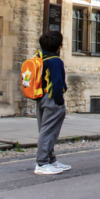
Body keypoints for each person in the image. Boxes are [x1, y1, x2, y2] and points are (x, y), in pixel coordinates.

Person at [34, 30, 71, 175]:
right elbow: (57, 83)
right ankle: (42, 163)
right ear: (59, 46)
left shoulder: (39, 57)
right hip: (52, 98)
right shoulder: (55, 61)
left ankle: (51, 160)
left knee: (45, 129)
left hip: (40, 96)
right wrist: (60, 101)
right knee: (49, 131)